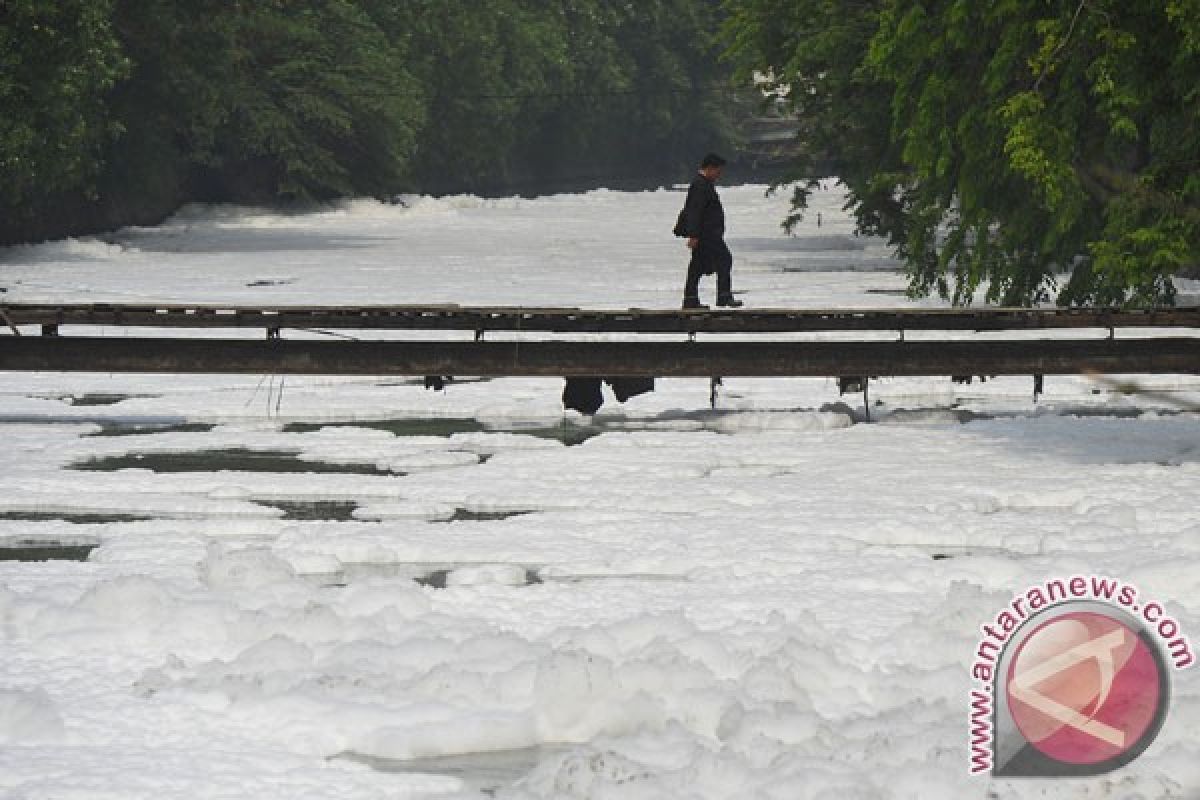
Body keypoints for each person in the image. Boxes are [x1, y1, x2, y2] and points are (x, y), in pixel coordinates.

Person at [680, 153, 742, 309]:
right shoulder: (700, 185)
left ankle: (691, 299)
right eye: (718, 171)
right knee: (724, 259)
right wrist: (693, 235)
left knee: (698, 266)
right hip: (706, 235)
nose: (719, 175)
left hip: (708, 234)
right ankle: (723, 296)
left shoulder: (703, 183)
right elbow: (694, 211)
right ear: (709, 168)